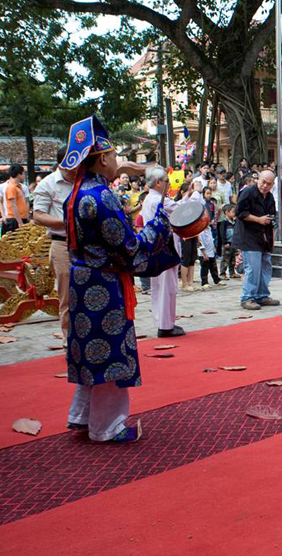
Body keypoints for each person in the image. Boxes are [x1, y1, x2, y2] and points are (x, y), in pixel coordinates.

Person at [61, 115, 178, 443]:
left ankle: (82, 416)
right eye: (114, 156)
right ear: (101, 159)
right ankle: (107, 426)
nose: (118, 162)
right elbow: (128, 247)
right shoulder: (101, 196)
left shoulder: (78, 193)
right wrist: (156, 228)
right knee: (109, 353)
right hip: (103, 284)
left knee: (91, 351)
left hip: (84, 281)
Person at [32, 151, 76, 342]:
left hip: (87, 244)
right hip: (62, 244)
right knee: (67, 296)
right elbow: (38, 215)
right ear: (62, 163)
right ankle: (69, 341)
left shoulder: (86, 180)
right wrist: (66, 222)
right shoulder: (48, 184)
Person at [142, 165, 186, 338]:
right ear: (159, 182)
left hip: (153, 247)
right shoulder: (159, 200)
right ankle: (166, 325)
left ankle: (162, 321)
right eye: (167, 181)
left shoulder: (148, 199)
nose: (169, 184)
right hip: (165, 247)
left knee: (159, 286)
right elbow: (181, 210)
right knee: (167, 286)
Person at [235, 170, 279, 310]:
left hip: (264, 236)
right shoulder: (248, 192)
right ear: (258, 180)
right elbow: (240, 213)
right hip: (249, 235)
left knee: (265, 266)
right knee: (253, 268)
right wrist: (258, 220)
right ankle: (247, 297)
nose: (265, 186)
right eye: (263, 182)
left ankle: (261, 295)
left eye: (268, 184)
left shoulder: (270, 197)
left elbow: (272, 214)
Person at [198, 188, 221, 286]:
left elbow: (211, 239)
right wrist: (203, 252)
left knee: (213, 266)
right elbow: (200, 242)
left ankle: (216, 279)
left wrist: (214, 247)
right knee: (204, 267)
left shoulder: (209, 229)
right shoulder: (200, 230)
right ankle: (204, 282)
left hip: (210, 251)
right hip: (204, 252)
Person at [0, 164, 29, 234]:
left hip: (20, 218)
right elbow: (13, 205)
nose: (24, 176)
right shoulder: (11, 187)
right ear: (19, 174)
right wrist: (20, 222)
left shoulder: (19, 187)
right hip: (14, 220)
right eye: (23, 174)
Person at [218, 204, 238, 279]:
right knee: (225, 258)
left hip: (233, 242)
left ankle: (232, 272)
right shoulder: (224, 222)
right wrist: (225, 242)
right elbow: (222, 233)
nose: (234, 213)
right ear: (226, 212)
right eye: (233, 212)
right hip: (227, 243)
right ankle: (222, 273)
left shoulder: (234, 222)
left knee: (233, 258)